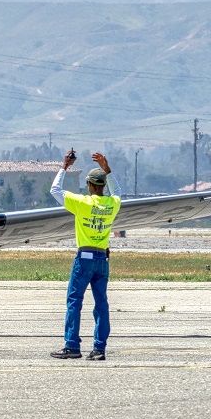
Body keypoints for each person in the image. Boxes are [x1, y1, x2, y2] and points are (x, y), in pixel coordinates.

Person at [49, 150, 122, 361]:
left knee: (74, 301)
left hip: (84, 258)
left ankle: (72, 345)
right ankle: (99, 348)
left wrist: (64, 166)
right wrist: (107, 168)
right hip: (102, 259)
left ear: (89, 185)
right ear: (102, 186)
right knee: (101, 304)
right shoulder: (112, 205)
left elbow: (55, 190)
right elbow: (118, 191)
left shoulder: (82, 203)